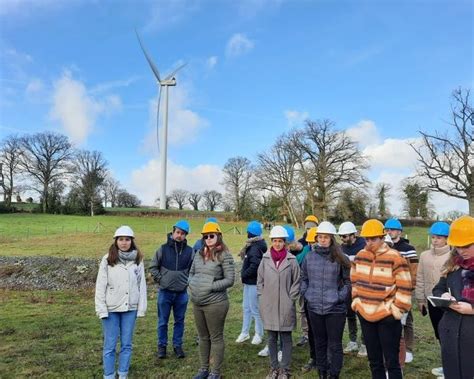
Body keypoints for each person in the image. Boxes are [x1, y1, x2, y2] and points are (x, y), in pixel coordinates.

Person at [351, 219, 412, 379]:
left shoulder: (395, 257)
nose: (370, 242)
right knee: (374, 360)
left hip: (387, 316)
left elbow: (405, 286)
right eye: (367, 239)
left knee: (392, 361)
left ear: (382, 237)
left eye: (374, 238)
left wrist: (396, 310)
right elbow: (354, 282)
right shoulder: (360, 256)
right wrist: (356, 302)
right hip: (365, 315)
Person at [95, 226, 147, 379]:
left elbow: (141, 284)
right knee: (110, 345)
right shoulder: (107, 259)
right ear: (116, 241)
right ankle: (109, 375)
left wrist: (141, 308)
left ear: (132, 241)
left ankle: (123, 374)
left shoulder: (138, 260)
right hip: (111, 308)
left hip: (130, 308)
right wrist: (101, 309)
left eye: (127, 239)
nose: (124, 243)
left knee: (126, 344)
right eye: (121, 239)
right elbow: (100, 286)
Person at [301, 221, 351, 379]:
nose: (322, 240)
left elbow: (349, 281)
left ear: (332, 239)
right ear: (316, 238)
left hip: (335, 310)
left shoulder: (340, 258)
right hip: (314, 307)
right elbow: (304, 278)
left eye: (326, 237)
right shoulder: (309, 257)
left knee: (335, 344)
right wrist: (306, 294)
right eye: (320, 237)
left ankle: (334, 374)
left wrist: (339, 297)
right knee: (319, 342)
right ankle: (322, 372)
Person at [189, 221, 235, 379]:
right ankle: (203, 369)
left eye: (211, 235)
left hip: (215, 303)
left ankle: (215, 372)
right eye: (205, 236)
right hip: (197, 302)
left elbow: (230, 280)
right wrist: (193, 284)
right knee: (203, 337)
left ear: (218, 236)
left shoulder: (224, 255)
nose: (208, 238)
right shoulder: (199, 254)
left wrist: (209, 286)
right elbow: (191, 273)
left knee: (215, 337)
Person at [432, 215, 474, 379]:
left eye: (466, 246)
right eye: (457, 246)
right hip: (450, 333)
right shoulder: (452, 265)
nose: (461, 250)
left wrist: (472, 310)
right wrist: (443, 296)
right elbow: (438, 289)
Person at [258, 225, 300, 379]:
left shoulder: (292, 260)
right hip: (268, 304)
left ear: (285, 243)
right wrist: (262, 297)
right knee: (271, 338)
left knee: (286, 337)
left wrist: (291, 298)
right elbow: (259, 281)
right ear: (271, 242)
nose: (277, 244)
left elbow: (297, 281)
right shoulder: (265, 259)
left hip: (285, 305)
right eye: (275, 241)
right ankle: (274, 367)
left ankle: (285, 369)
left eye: (280, 241)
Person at [149, 220, 194, 359]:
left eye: (182, 233)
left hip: (182, 294)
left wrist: (188, 281)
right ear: (173, 232)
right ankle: (162, 346)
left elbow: (193, 270)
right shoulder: (162, 249)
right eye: (178, 232)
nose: (179, 235)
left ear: (186, 235)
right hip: (165, 292)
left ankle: (177, 346)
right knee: (163, 321)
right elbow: (153, 267)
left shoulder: (190, 251)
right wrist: (161, 279)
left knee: (179, 321)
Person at [415, 221, 450, 377]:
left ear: (447, 239)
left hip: (448, 303)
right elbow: (420, 277)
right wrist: (420, 299)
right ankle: (445, 364)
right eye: (433, 237)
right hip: (431, 300)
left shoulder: (453, 256)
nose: (435, 240)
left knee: (448, 334)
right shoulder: (424, 255)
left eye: (439, 238)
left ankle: (452, 367)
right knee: (438, 334)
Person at [384, 218, 418, 363]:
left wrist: (409, 287)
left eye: (391, 229)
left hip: (405, 288)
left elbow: (414, 270)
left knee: (407, 319)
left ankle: (408, 348)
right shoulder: (385, 247)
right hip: (388, 289)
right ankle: (392, 347)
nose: (389, 232)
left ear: (399, 231)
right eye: (387, 229)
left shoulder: (408, 249)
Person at [337, 221, 367, 357]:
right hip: (347, 286)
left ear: (353, 234)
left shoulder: (364, 246)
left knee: (363, 316)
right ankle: (353, 341)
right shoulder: (340, 248)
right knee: (350, 314)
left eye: (344, 236)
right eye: (341, 236)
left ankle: (365, 344)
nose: (342, 239)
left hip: (362, 286)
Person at [235, 220, 267, 345]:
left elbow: (256, 265)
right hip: (248, 283)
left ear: (250, 233)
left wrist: (244, 274)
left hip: (253, 283)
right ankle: (245, 332)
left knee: (254, 309)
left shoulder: (254, 248)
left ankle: (259, 334)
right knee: (246, 307)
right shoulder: (253, 246)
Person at [297, 227, 318, 373]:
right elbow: (303, 276)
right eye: (311, 243)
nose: (313, 246)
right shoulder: (307, 254)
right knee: (311, 331)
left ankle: (325, 359)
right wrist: (304, 291)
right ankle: (313, 357)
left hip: (326, 302)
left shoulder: (333, 256)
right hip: (310, 299)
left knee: (324, 333)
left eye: (314, 242)